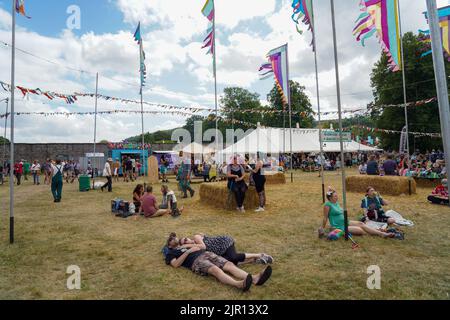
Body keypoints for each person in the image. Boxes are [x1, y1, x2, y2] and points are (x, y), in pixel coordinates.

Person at [165, 233, 272, 292]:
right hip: (196, 261)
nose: (174, 238)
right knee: (215, 270)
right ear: (169, 245)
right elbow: (175, 264)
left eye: (174, 236)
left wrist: (190, 245)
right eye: (171, 238)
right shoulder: (171, 253)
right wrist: (188, 252)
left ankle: (254, 278)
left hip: (207, 253)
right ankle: (239, 284)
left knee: (229, 265)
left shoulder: (184, 245)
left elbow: (202, 245)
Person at [320, 187, 395, 238]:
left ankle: (382, 234)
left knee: (361, 224)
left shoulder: (335, 203)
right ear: (330, 198)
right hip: (339, 226)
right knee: (361, 230)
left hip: (346, 222)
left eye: (336, 196)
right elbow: (325, 217)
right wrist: (322, 228)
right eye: (335, 196)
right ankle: (379, 233)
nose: (337, 197)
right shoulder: (327, 205)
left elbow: (333, 192)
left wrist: (330, 189)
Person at [177, 234, 273, 266]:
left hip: (224, 242)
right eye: (184, 243)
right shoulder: (194, 249)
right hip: (220, 252)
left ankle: (260, 255)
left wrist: (189, 244)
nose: (186, 242)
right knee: (228, 262)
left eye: (185, 239)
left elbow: (204, 247)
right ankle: (253, 260)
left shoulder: (196, 237)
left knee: (233, 256)